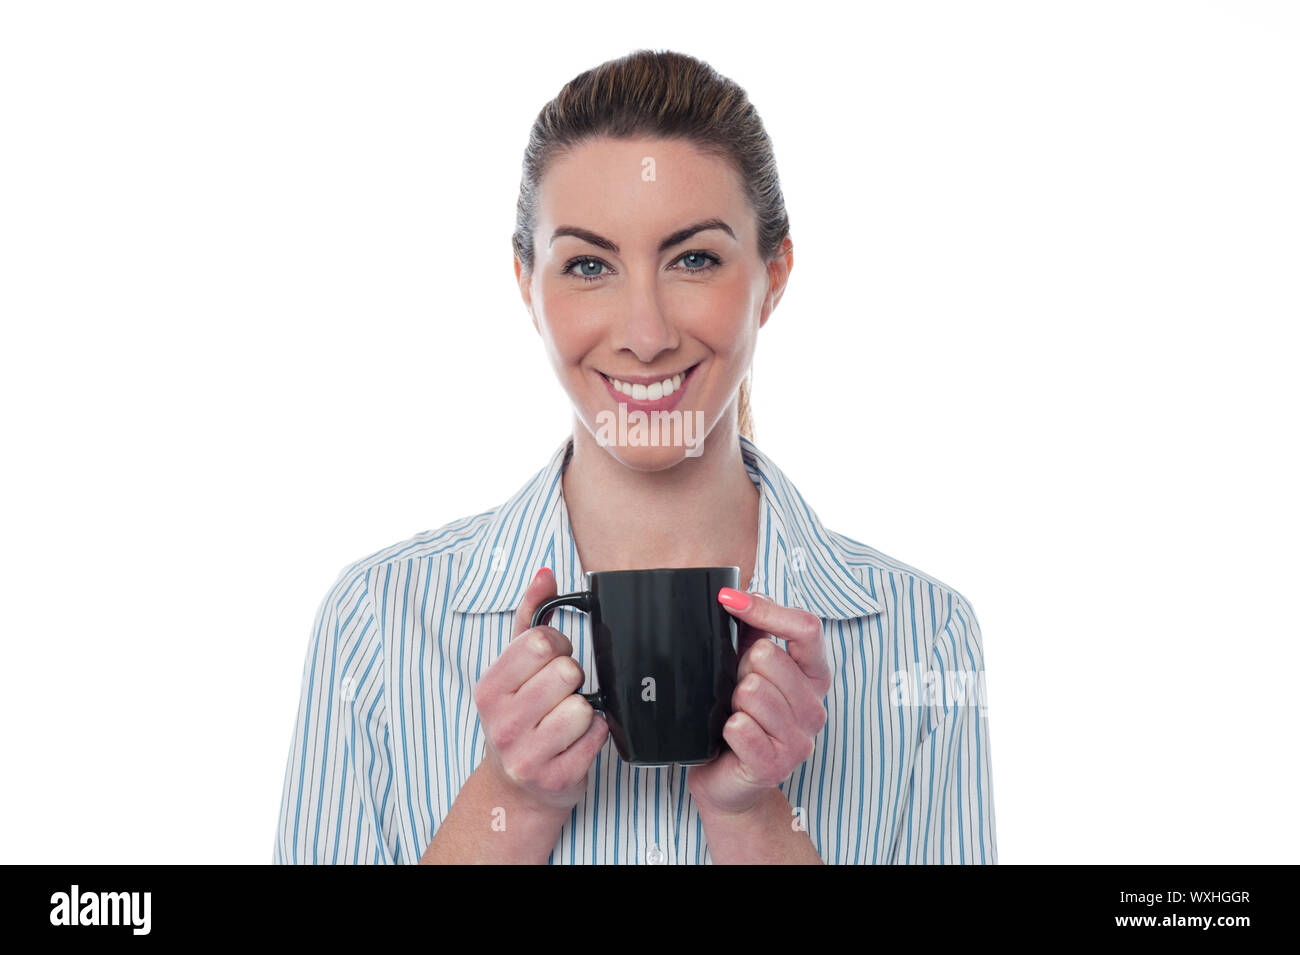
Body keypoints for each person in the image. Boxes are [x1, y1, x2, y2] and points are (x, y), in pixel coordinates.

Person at [274, 48, 997, 865]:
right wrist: (511, 801)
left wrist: (756, 821)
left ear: (774, 273)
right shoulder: (375, 624)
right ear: (525, 283)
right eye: (589, 265)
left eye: (694, 259)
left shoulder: (926, 638)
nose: (646, 335)